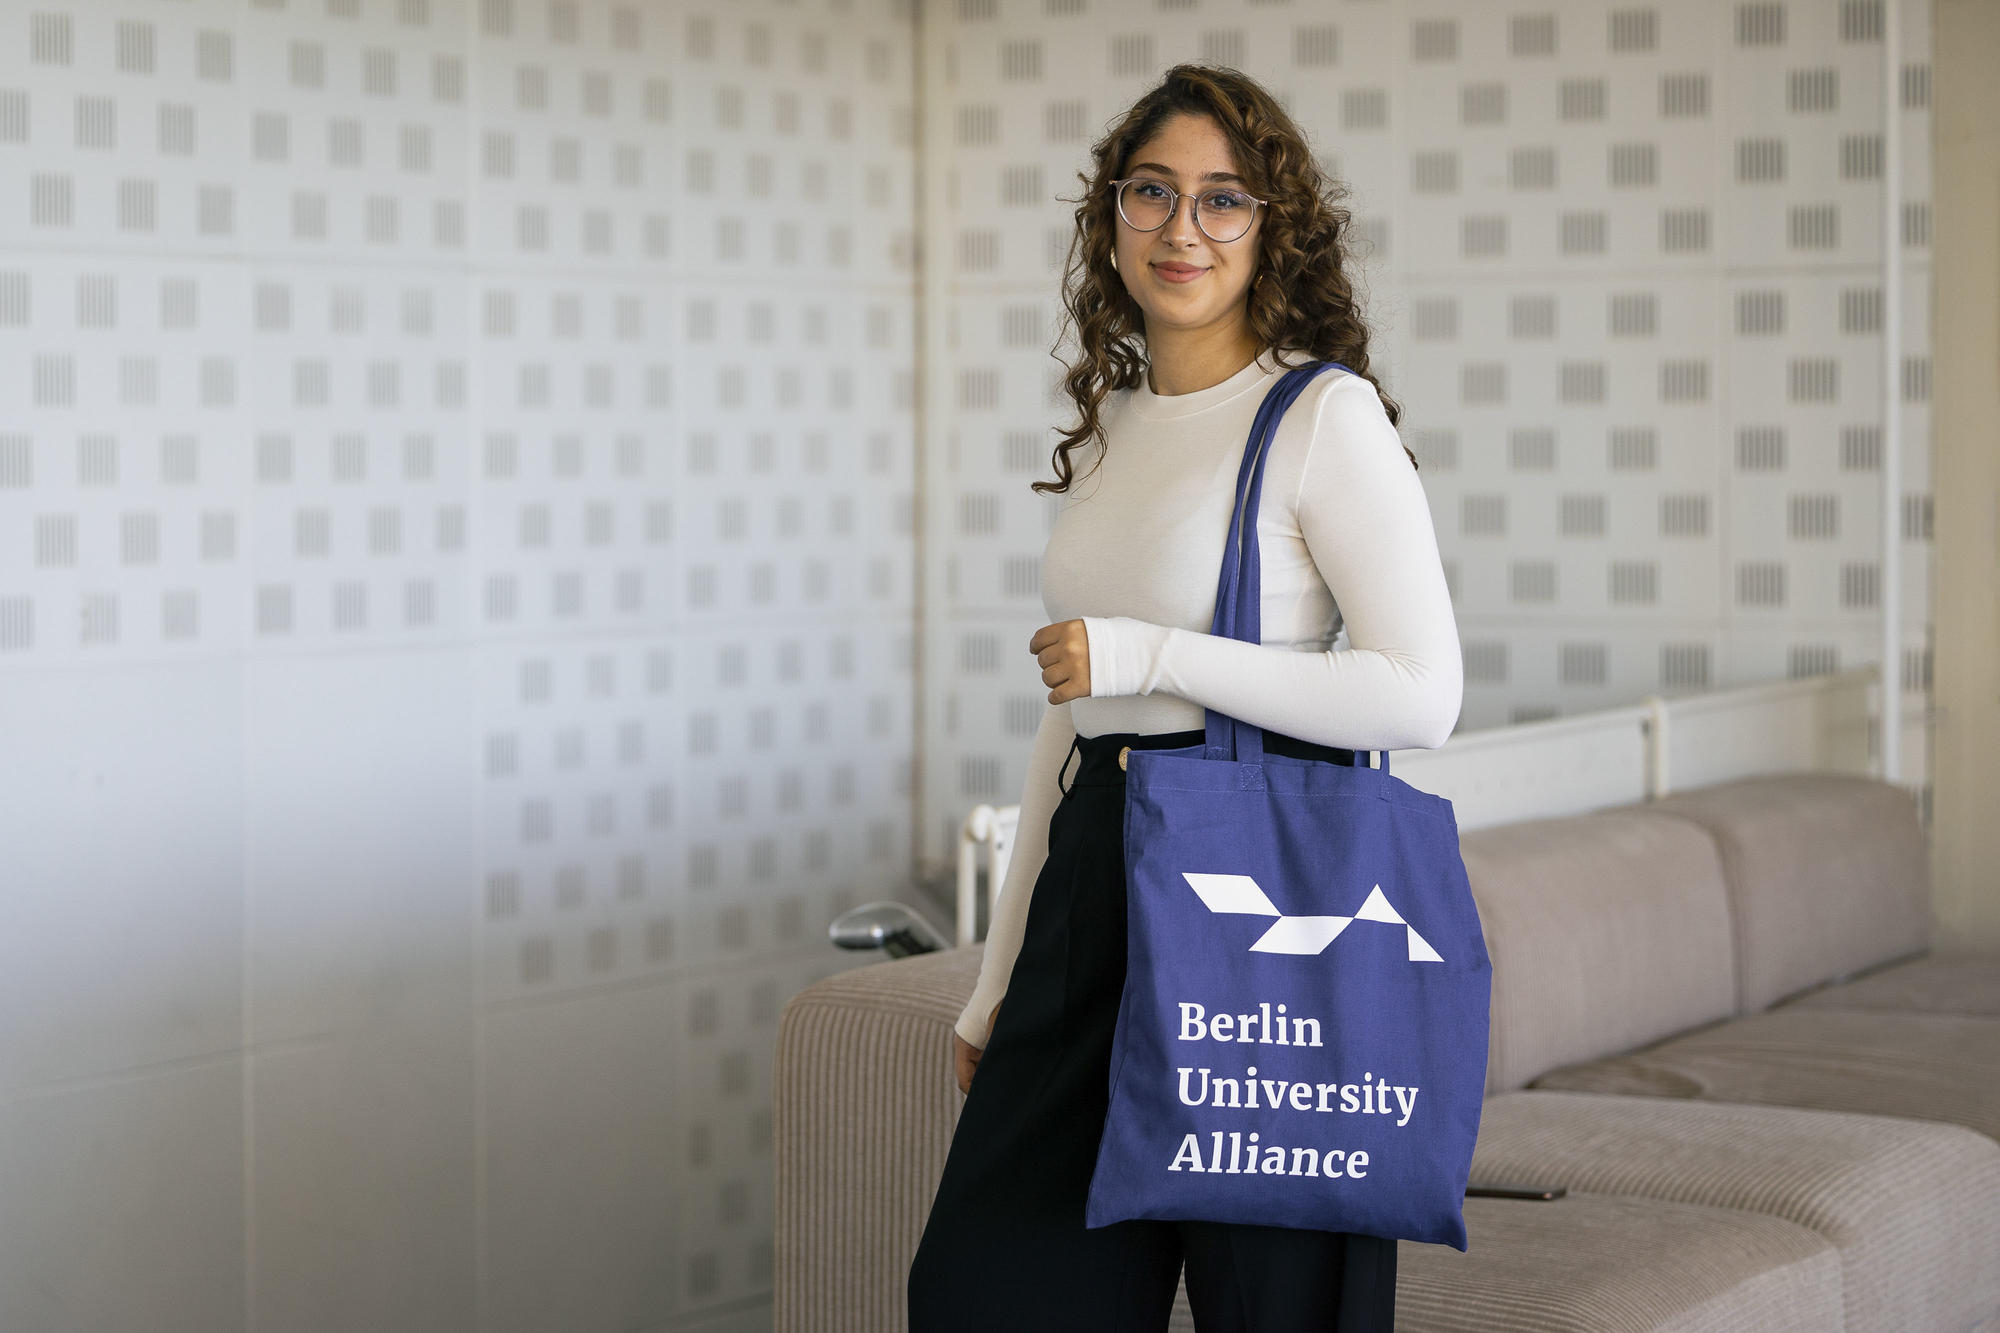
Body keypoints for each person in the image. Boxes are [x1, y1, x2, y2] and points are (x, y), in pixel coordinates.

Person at [907, 63, 1462, 1333]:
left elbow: (1420, 694)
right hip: (1094, 883)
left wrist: (1151, 656)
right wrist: (997, 978)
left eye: (1224, 200)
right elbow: (1074, 710)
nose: (1181, 227)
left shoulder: (1320, 415)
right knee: (983, 1297)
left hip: (1258, 903)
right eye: (1151, 191)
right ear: (1110, 214)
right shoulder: (1110, 424)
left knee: (1279, 1312)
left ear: (1273, 227)